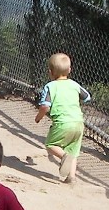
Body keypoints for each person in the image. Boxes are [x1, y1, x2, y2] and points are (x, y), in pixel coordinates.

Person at [34, 52, 91, 183]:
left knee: (50, 144)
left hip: (62, 123)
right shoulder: (74, 85)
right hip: (78, 123)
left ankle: (64, 156)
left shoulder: (50, 86)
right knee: (73, 150)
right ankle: (71, 177)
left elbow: (45, 106)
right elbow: (87, 97)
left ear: (50, 72)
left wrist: (38, 117)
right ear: (69, 70)